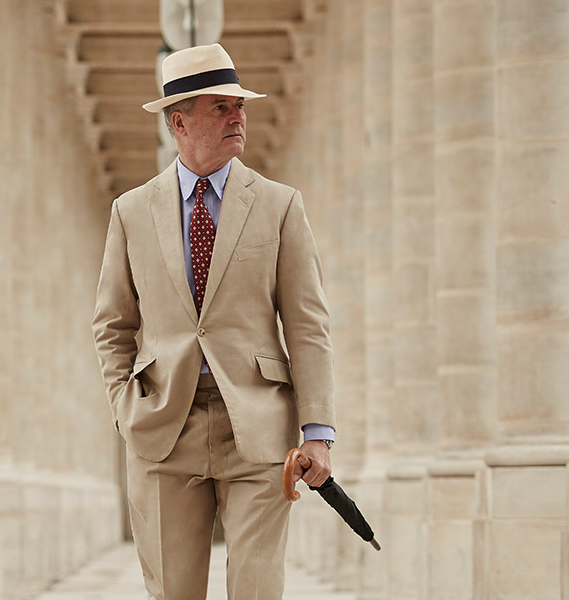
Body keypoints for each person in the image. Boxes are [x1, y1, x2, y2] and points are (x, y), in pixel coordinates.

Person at [92, 43, 336, 600]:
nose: (238, 118)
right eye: (220, 107)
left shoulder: (279, 205)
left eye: (240, 106)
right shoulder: (131, 212)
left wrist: (318, 432)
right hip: (161, 429)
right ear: (179, 122)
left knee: (256, 590)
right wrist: (124, 408)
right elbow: (111, 323)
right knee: (173, 593)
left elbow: (307, 324)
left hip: (258, 426)